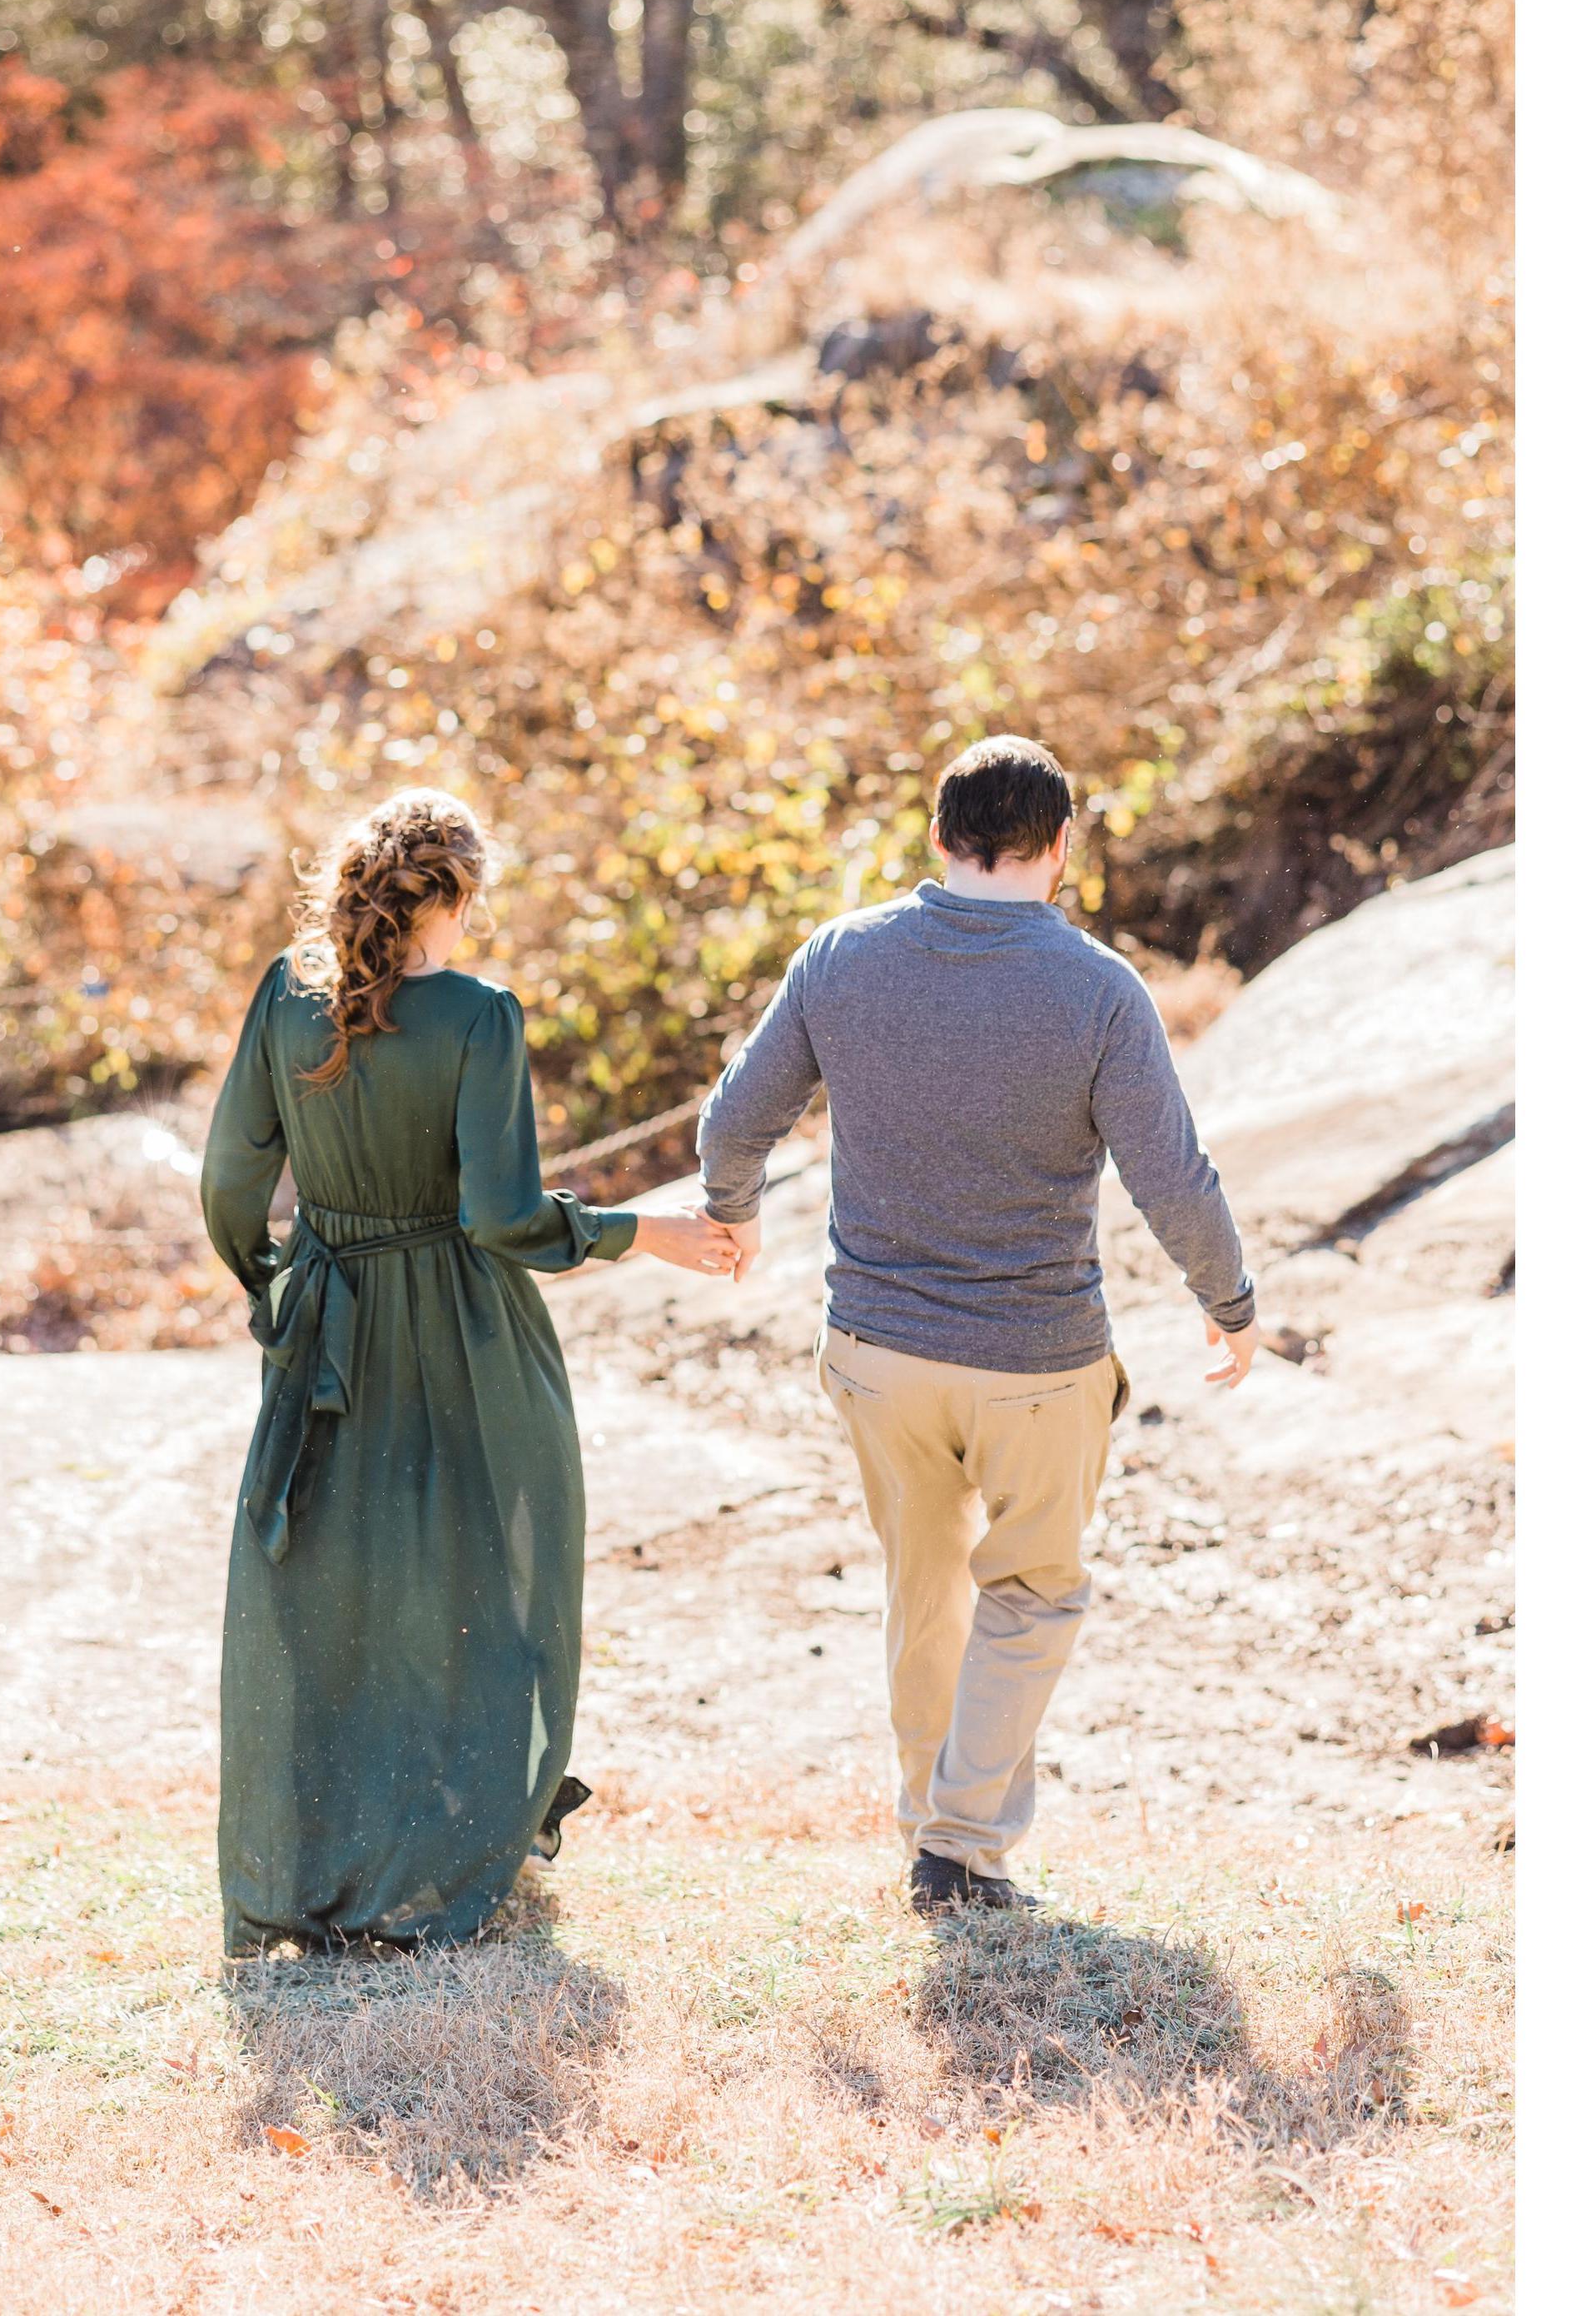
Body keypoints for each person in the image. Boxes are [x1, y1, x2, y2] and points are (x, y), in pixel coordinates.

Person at [695, 735, 1258, 1916]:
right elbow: (1172, 1178)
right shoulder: (1098, 989)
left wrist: (731, 1214)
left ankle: (935, 1833)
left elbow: (733, 1122)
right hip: (1038, 1363)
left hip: (878, 1353)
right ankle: (957, 1849)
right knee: (1033, 1594)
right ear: (1062, 846)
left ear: (938, 836)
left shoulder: (841, 956)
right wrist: (1229, 1303)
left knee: (925, 1590)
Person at [200, 789, 738, 1956]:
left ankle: (310, 1860)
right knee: (484, 1573)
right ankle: (449, 1842)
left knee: (330, 1583)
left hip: (329, 1318)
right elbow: (501, 1217)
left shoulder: (286, 996)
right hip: (459, 1329)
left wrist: (273, 1289)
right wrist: (643, 1231)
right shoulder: (480, 1017)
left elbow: (229, 1186)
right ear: (460, 893)